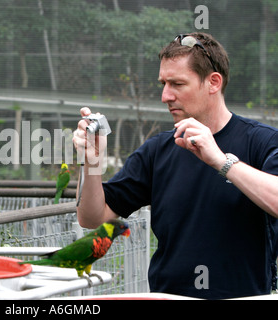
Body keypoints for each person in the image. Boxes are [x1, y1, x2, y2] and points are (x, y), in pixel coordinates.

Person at [73, 32, 278, 299]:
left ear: (213, 82)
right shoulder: (158, 149)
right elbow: (91, 217)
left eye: (177, 84)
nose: (165, 95)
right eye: (163, 83)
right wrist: (91, 163)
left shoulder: (262, 141)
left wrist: (220, 160)